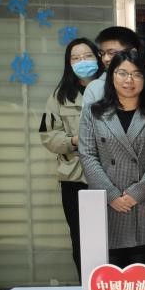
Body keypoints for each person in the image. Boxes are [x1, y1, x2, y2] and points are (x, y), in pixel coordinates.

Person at [78, 50, 145, 271]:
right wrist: (112, 195)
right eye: (122, 73)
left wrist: (136, 193)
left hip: (143, 201)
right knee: (108, 269)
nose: (129, 80)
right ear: (112, 76)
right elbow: (87, 154)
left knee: (144, 271)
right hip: (107, 201)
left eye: (137, 74)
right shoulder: (94, 112)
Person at [39, 37, 103, 276]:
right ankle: (87, 286)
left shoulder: (112, 88)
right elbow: (48, 136)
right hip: (75, 177)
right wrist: (75, 141)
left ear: (98, 58)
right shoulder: (60, 96)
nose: (82, 62)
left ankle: (113, 287)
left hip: (110, 175)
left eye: (87, 56)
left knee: (113, 237)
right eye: (75, 58)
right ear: (69, 64)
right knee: (81, 238)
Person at [83, 26, 142, 107]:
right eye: (102, 53)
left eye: (112, 53)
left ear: (133, 52)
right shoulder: (95, 87)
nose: (105, 59)